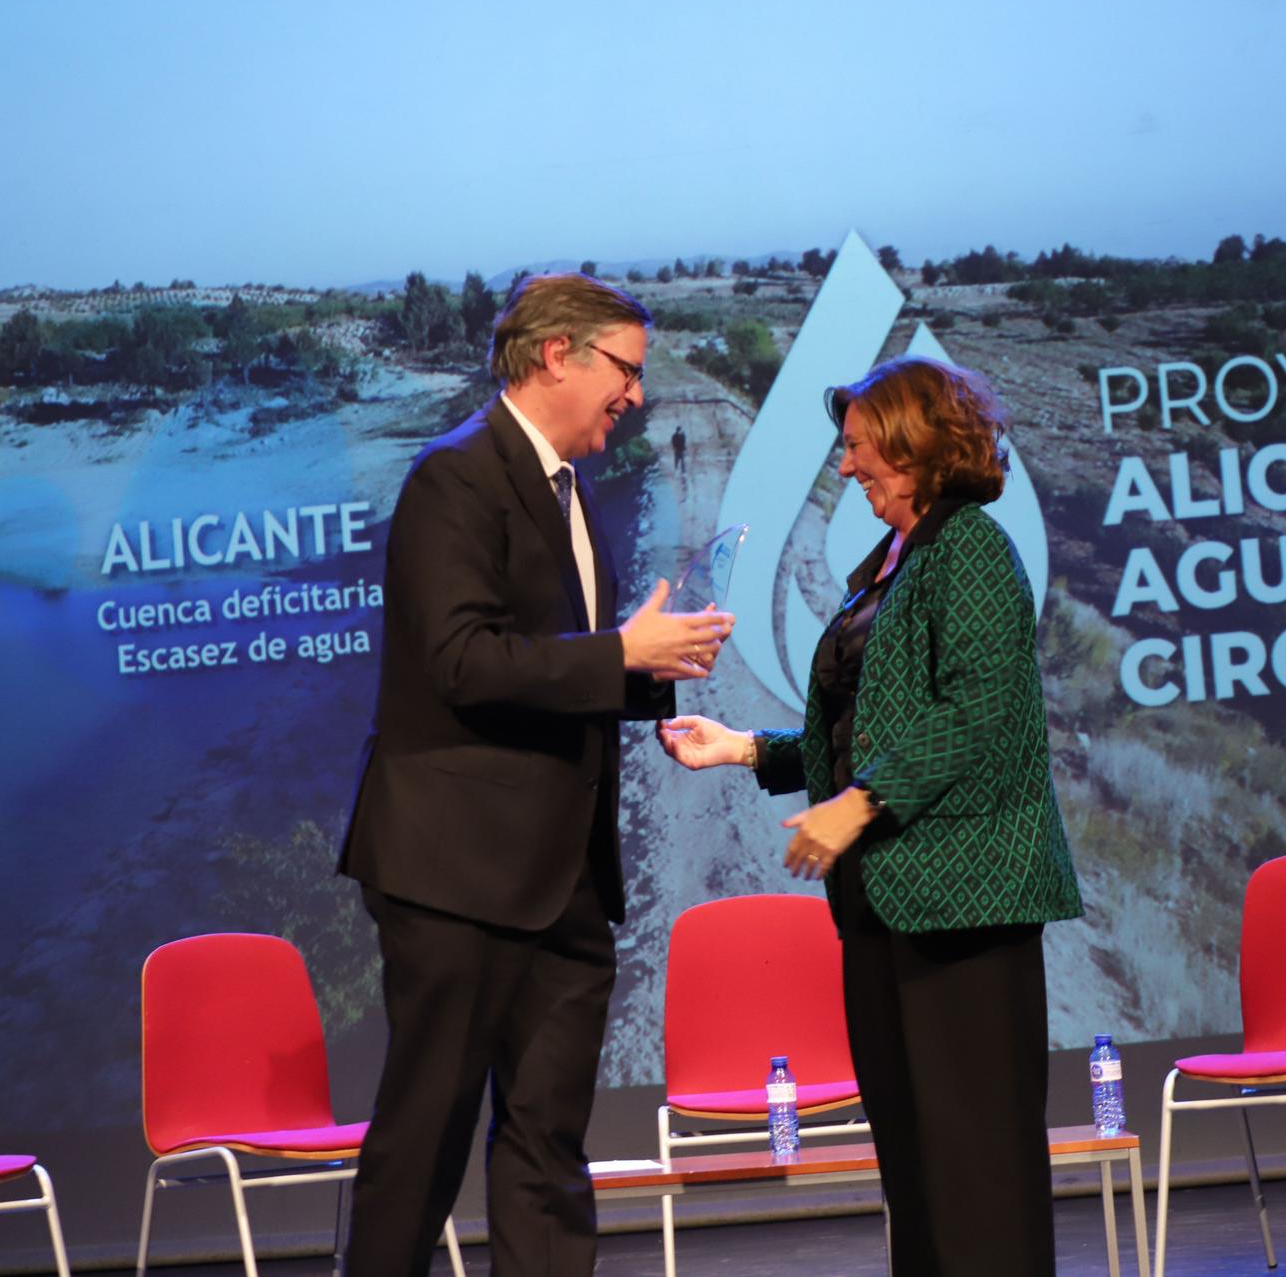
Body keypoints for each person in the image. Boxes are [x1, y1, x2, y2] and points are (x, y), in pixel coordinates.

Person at [338, 272, 733, 1276]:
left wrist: (653, 680)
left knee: (548, 1149)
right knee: (422, 1144)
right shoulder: (454, 478)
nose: (636, 395)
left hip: (563, 882)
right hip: (457, 875)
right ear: (557, 354)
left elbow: (568, 661)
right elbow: (461, 662)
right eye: (626, 371)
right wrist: (620, 656)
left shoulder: (570, 490)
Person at [657, 356, 1082, 1275]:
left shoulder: (968, 545)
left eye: (856, 449)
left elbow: (975, 712)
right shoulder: (893, 558)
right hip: (888, 913)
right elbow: (867, 728)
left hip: (963, 910)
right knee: (920, 1177)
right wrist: (744, 748)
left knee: (977, 1177)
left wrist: (860, 804)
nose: (845, 468)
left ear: (913, 444)